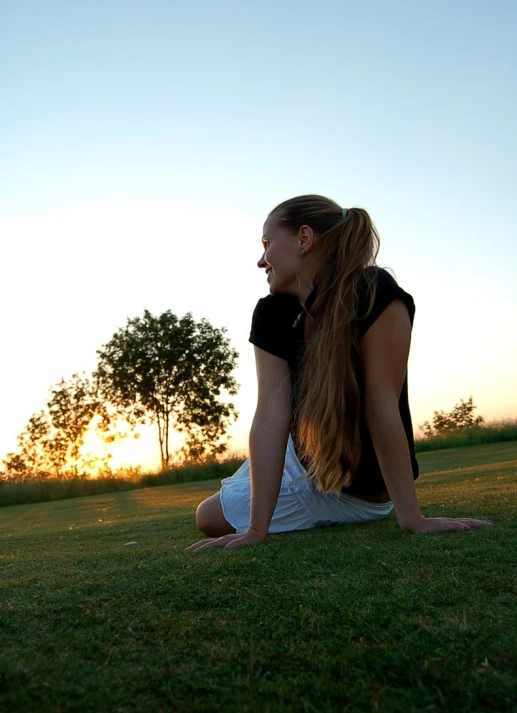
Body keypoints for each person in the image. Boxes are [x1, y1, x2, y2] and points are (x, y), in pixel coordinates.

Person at [185, 195, 493, 552]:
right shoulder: (272, 313)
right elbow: (271, 416)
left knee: (208, 516)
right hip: (300, 452)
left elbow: (380, 405)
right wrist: (256, 530)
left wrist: (413, 519)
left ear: (304, 238)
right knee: (237, 491)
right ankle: (268, 486)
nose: (260, 260)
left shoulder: (374, 293)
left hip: (353, 489)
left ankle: (285, 490)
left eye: (267, 244)